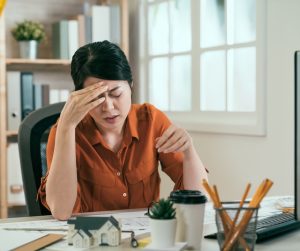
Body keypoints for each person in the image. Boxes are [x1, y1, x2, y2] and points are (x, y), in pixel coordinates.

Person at [38, 40, 208, 220]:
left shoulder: (150, 120)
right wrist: (66, 126)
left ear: (131, 85)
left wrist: (189, 151)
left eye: (116, 93)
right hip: (88, 240)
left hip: (143, 240)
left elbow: (199, 198)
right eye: (96, 97)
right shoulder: (65, 132)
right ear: (79, 96)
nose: (109, 107)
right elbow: (62, 212)